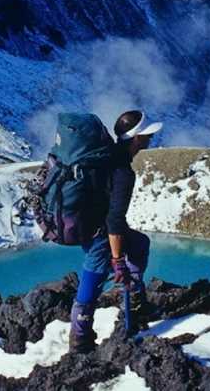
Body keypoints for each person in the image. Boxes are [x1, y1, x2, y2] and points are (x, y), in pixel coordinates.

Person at [69, 110, 162, 353]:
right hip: (99, 232)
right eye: (147, 135)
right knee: (95, 274)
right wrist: (118, 259)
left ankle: (135, 301)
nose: (151, 140)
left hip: (90, 223)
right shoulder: (123, 172)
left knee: (139, 243)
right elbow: (115, 219)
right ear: (136, 138)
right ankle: (79, 338)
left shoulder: (107, 154)